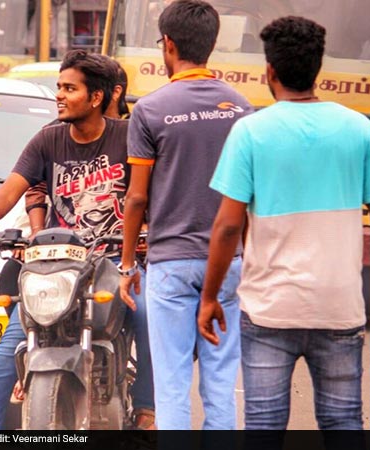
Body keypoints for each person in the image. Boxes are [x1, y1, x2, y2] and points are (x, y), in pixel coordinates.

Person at [0, 50, 154, 430]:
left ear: (97, 97)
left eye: (70, 88)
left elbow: (153, 193)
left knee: (148, 313)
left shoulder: (129, 136)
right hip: (58, 266)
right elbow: (12, 189)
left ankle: (148, 409)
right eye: (59, 87)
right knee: (8, 350)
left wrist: (150, 233)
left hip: (116, 262)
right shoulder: (47, 139)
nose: (60, 96)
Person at [198, 16, 369, 431]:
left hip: (269, 308)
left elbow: (225, 228)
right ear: (318, 69)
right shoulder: (360, 129)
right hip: (339, 305)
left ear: (269, 71)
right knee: (344, 421)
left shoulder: (250, 132)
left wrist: (209, 297)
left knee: (264, 423)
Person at [118, 0, 253, 430]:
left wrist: (126, 263)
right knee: (220, 378)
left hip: (170, 262)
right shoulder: (240, 108)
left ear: (169, 44)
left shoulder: (151, 109)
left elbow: (137, 199)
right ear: (212, 44)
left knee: (171, 382)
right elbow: (248, 197)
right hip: (228, 261)